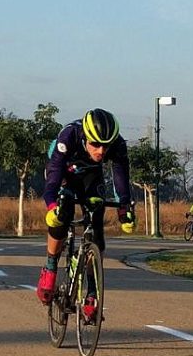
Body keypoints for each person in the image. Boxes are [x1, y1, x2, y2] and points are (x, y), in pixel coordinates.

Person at [36, 108, 135, 322]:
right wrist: (52, 206)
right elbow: (53, 178)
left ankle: (91, 293)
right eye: (95, 144)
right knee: (63, 213)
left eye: (106, 145)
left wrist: (124, 207)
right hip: (64, 172)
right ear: (85, 137)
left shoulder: (117, 144)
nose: (101, 151)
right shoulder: (69, 135)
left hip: (91, 176)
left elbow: (120, 176)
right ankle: (50, 268)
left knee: (97, 224)